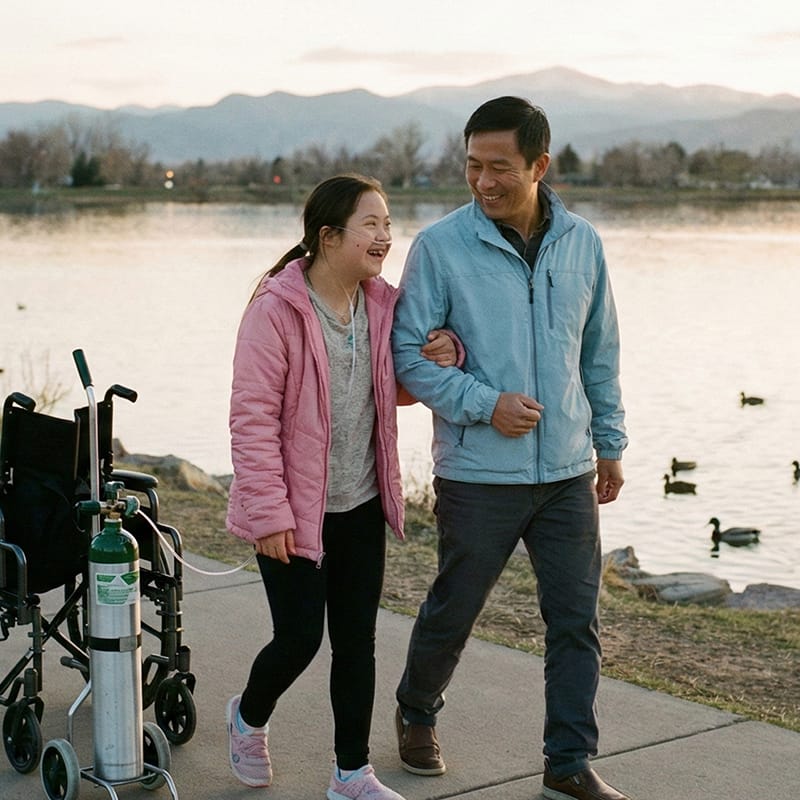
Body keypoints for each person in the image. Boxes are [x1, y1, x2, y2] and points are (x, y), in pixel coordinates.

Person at [390, 97, 631, 800]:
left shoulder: (582, 243)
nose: (484, 181)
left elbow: (599, 352)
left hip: (566, 471)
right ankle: (417, 710)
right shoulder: (440, 247)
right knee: (455, 609)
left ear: (539, 165)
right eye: (473, 165)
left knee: (576, 622)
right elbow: (408, 358)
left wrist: (609, 442)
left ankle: (568, 761)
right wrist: (485, 404)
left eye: (500, 166)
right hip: (477, 472)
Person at [225, 174, 461, 800]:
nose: (385, 237)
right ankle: (247, 717)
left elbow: (396, 385)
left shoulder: (381, 304)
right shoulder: (276, 310)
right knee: (300, 638)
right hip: (293, 510)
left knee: (357, 642)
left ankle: (351, 774)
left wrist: (444, 351)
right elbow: (251, 419)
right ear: (329, 237)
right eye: (371, 225)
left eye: (388, 224)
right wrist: (269, 513)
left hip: (360, 501)